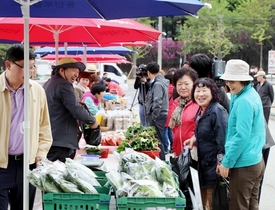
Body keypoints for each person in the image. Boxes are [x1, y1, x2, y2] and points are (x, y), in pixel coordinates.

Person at [0, 44, 53, 210]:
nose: (31, 72)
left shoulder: (37, 90)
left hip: (27, 164)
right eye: (26, 68)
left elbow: (44, 127)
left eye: (33, 67)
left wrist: (41, 152)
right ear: (9, 65)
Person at [218, 59, 265, 210]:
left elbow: (241, 136)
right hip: (255, 160)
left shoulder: (244, 100)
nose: (229, 84)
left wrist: (227, 162)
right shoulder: (250, 93)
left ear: (243, 80)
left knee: (238, 206)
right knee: (252, 205)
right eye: (227, 81)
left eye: (232, 81)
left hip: (244, 164)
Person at [43, 57, 99, 162]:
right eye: (73, 70)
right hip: (61, 140)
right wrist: (93, 121)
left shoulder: (49, 83)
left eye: (78, 71)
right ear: (61, 70)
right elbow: (75, 108)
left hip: (51, 138)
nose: (76, 75)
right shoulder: (63, 84)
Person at [185, 78, 228, 210]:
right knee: (206, 203)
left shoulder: (217, 110)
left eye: (205, 90)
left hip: (214, 167)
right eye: (198, 91)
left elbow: (223, 139)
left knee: (213, 202)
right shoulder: (202, 110)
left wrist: (221, 163)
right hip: (204, 164)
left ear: (213, 92)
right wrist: (195, 138)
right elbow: (207, 131)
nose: (200, 94)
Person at [169, 66, 198, 210]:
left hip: (194, 156)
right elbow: (174, 129)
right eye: (179, 84)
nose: (183, 87)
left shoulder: (198, 103)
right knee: (183, 193)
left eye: (187, 83)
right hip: (179, 155)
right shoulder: (176, 103)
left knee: (194, 194)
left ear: (194, 84)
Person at [145, 61, 169, 160]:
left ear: (149, 72)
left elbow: (157, 101)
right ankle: (160, 160)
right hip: (160, 114)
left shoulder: (157, 84)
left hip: (158, 115)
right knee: (157, 139)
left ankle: (161, 161)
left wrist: (154, 116)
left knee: (157, 140)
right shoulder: (160, 82)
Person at [163, 73, 174, 153]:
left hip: (166, 111)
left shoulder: (165, 88)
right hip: (173, 110)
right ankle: (173, 147)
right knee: (171, 130)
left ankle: (166, 148)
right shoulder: (175, 88)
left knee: (165, 130)